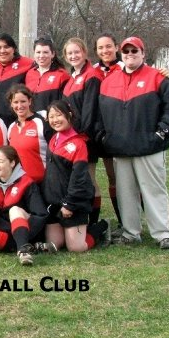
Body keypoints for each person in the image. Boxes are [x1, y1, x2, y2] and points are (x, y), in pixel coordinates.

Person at [98, 36, 169, 249]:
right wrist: (104, 137)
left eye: (134, 51)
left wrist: (161, 134)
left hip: (149, 147)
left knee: (153, 190)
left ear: (143, 54)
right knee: (126, 192)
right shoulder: (109, 81)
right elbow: (100, 115)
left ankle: (162, 234)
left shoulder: (157, 78)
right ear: (121, 54)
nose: (130, 55)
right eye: (126, 52)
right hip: (121, 149)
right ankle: (130, 232)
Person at [43, 101, 109, 252]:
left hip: (73, 203)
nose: (55, 120)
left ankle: (102, 227)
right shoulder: (54, 138)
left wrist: (70, 204)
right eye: (51, 116)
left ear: (69, 115)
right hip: (55, 202)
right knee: (55, 244)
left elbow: (79, 178)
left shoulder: (78, 144)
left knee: (76, 247)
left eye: (59, 115)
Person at [0, 146, 50, 266]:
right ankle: (24, 246)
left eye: (0, 161)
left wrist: (27, 236)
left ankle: (23, 250)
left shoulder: (26, 182)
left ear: (12, 163)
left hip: (26, 228)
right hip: (5, 232)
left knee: (14, 210)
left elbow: (40, 214)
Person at [62, 37, 102, 223]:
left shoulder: (92, 75)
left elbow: (90, 111)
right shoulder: (71, 78)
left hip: (86, 138)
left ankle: (94, 222)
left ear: (85, 53)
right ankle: (83, 217)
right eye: (70, 53)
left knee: (89, 180)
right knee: (80, 180)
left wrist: (81, 135)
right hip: (72, 137)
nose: (73, 55)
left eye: (77, 51)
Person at [93, 33, 124, 231]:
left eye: (108, 46)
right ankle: (96, 220)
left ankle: (127, 221)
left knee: (120, 177)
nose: (105, 51)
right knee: (100, 177)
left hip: (120, 131)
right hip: (98, 131)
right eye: (101, 48)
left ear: (117, 47)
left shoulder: (125, 67)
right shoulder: (93, 70)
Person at [6, 84, 52, 183]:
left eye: (23, 101)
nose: (19, 106)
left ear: (30, 101)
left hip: (42, 183)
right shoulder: (11, 128)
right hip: (19, 184)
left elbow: (54, 153)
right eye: (16, 102)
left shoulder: (41, 123)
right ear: (11, 103)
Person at [25, 37, 70, 117]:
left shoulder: (62, 75)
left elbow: (65, 104)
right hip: (32, 122)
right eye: (38, 52)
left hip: (52, 122)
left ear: (52, 54)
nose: (41, 56)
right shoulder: (29, 73)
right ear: (34, 54)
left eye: (45, 52)